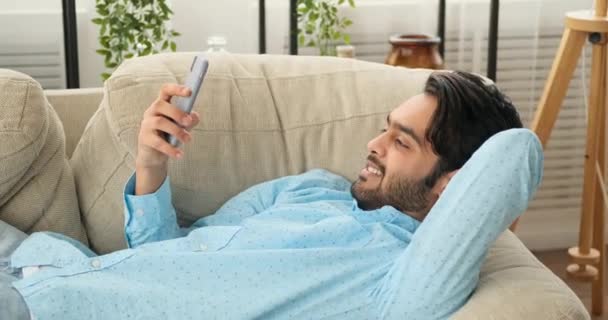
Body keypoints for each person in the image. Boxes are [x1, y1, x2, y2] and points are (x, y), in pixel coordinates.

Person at [0, 71, 542, 320]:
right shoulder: (310, 189)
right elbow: (168, 250)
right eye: (384, 128)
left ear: (454, 182)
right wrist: (151, 165)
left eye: (400, 141)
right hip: (38, 258)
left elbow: (516, 153)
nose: (374, 146)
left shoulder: (399, 281)